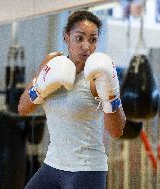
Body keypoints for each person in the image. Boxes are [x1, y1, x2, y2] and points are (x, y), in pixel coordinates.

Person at [18, 10, 126, 189]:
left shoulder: (97, 76)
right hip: (52, 165)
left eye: (93, 40)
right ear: (66, 37)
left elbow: (116, 131)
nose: (86, 46)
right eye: (79, 38)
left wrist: (112, 96)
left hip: (86, 170)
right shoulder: (51, 63)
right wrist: (40, 88)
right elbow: (23, 108)